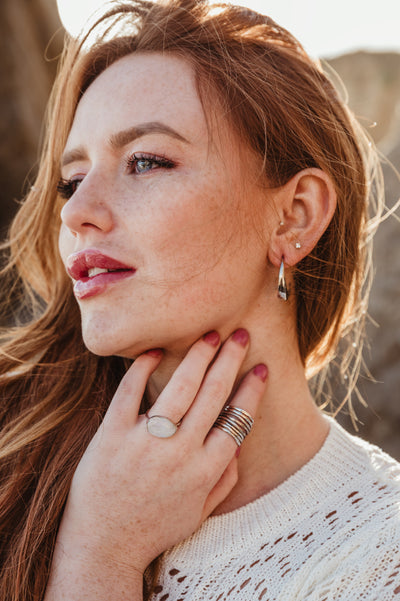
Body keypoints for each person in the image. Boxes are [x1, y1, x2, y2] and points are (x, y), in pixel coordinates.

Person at [0, 0, 399, 599]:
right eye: (71, 181)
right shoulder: (14, 455)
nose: (78, 213)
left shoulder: (380, 550)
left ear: (295, 215)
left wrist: (100, 555)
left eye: (146, 161)